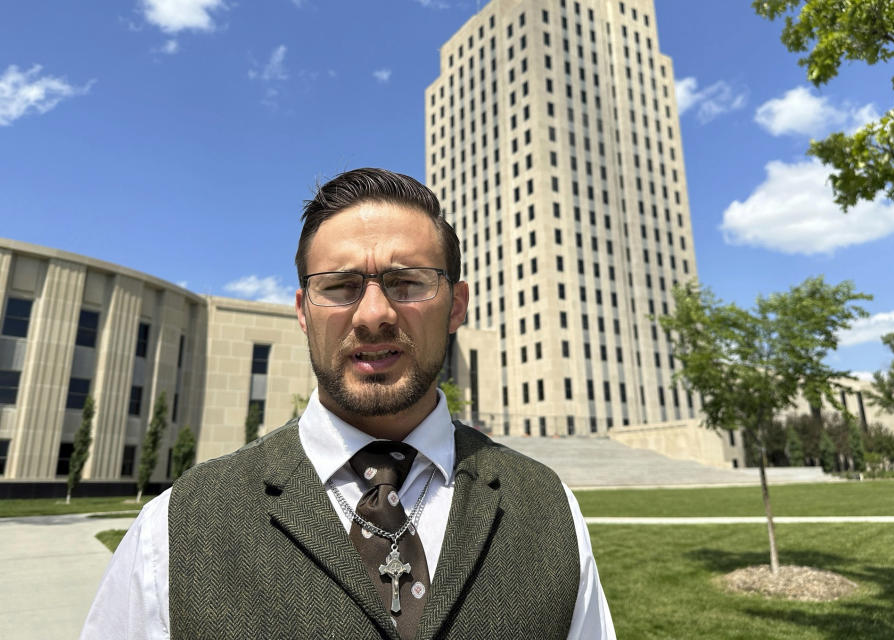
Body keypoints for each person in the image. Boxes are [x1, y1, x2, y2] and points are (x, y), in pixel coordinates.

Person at [81, 168, 616, 639]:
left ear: (455, 307)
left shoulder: (550, 509)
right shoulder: (175, 527)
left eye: (408, 282)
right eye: (340, 287)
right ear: (303, 311)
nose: (374, 314)